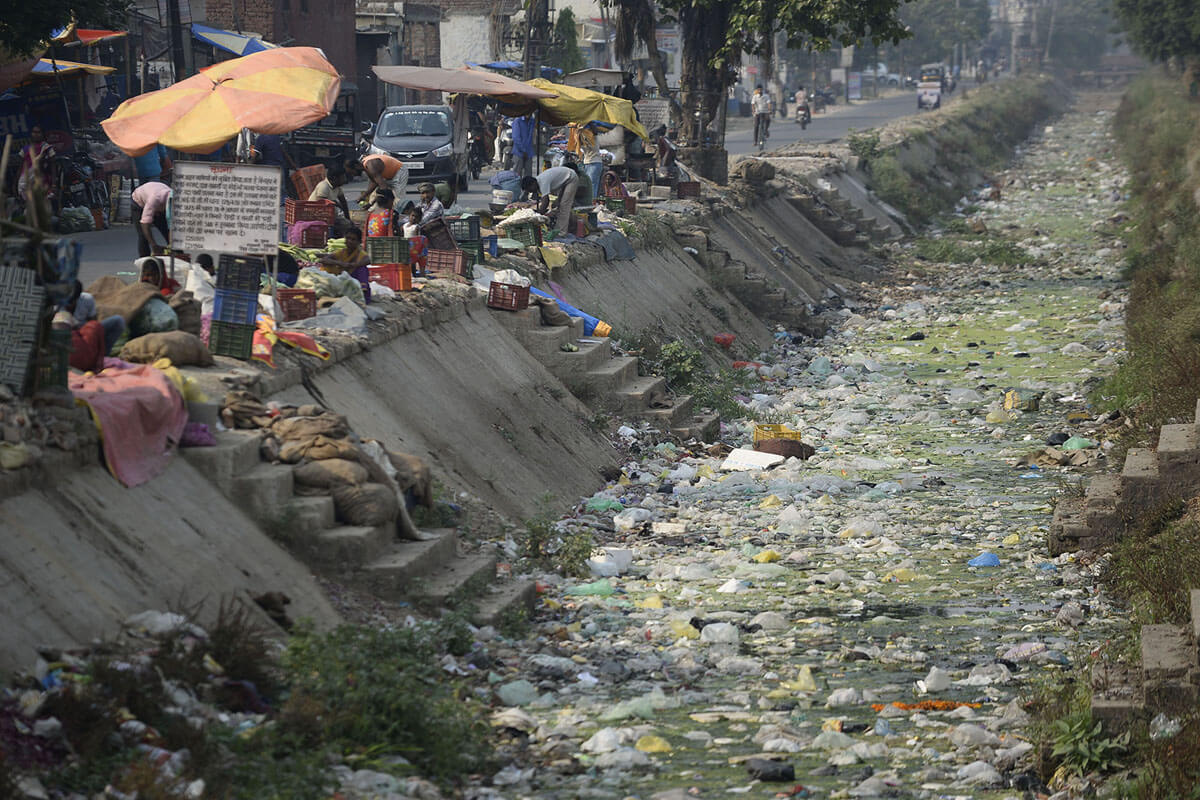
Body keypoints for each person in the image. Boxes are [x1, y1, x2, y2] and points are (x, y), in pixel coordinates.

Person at [67, 280, 125, 357]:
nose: (69, 305)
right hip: (65, 336)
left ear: (78, 297)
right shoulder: (55, 303)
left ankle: (103, 356)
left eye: (72, 302)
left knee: (118, 321)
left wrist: (88, 335)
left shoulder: (87, 299)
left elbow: (94, 324)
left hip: (84, 333)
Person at [521, 165, 578, 234]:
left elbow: (546, 201)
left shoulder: (543, 182)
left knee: (564, 206)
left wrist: (538, 215)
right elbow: (544, 201)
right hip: (565, 179)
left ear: (533, 184)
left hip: (571, 178)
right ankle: (563, 228)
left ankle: (561, 232)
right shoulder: (538, 183)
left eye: (530, 189)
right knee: (557, 205)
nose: (530, 192)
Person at [320, 228, 371, 301]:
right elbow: (324, 259)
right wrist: (340, 263)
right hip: (342, 283)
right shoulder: (341, 252)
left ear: (359, 242)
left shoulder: (361, 254)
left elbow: (368, 260)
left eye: (353, 239)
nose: (349, 241)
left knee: (362, 269)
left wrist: (351, 265)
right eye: (348, 238)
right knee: (327, 265)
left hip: (354, 283)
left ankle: (362, 294)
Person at [131, 180, 172, 258]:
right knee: (143, 235)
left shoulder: (173, 198)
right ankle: (145, 261)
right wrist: (154, 245)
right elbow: (145, 223)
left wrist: (172, 244)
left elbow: (172, 226)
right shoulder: (154, 199)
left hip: (157, 194)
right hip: (138, 202)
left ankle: (178, 256)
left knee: (166, 230)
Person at [18, 125, 54, 195]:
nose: (36, 134)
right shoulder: (25, 149)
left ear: (42, 134)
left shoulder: (47, 148)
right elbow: (20, 167)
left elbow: (53, 165)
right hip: (26, 182)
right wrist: (15, 182)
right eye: (34, 132)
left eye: (38, 132)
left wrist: (54, 184)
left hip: (43, 182)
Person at [510, 114, 535, 179]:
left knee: (528, 176)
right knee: (517, 176)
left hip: (529, 152)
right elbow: (516, 138)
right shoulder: (517, 121)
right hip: (519, 152)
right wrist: (523, 150)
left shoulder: (532, 120)